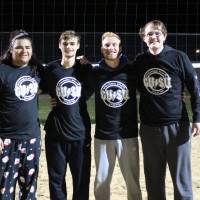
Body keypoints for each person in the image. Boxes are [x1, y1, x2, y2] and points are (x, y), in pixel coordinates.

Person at [134, 20, 200, 200]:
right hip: (149, 128)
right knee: (153, 181)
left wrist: (197, 117)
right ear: (144, 38)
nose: (153, 36)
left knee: (181, 180)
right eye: (149, 34)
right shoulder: (140, 61)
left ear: (164, 36)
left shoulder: (178, 57)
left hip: (177, 126)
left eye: (157, 33)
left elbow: (195, 89)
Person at [92, 32, 142, 200]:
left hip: (128, 134)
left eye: (114, 44)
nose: (110, 48)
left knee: (133, 183)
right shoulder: (95, 72)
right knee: (101, 182)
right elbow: (78, 92)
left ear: (120, 48)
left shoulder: (131, 70)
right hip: (103, 135)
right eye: (107, 45)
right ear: (101, 49)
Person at [43, 30, 91, 200]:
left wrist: (88, 65)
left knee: (81, 181)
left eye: (72, 43)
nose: (68, 47)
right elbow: (35, 90)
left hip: (80, 134)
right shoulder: (50, 69)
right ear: (59, 45)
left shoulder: (86, 70)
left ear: (78, 46)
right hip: (55, 134)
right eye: (65, 43)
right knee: (56, 180)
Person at [0, 30, 41, 199]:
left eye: (28, 47)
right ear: (11, 50)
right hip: (7, 139)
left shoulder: (36, 70)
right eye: (19, 48)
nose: (24, 51)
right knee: (5, 190)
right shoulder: (2, 71)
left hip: (32, 138)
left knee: (29, 189)